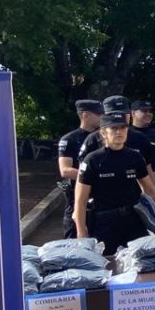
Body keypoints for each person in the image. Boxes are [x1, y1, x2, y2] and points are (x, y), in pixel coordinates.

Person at [73, 111, 155, 310]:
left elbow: (149, 189)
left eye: (122, 128)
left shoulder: (134, 156)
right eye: (113, 129)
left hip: (131, 222)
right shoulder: (92, 160)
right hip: (102, 223)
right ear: (103, 133)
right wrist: (83, 234)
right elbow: (80, 203)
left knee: (131, 275)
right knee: (101, 279)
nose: (119, 132)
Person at [57, 100, 103, 239]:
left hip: (101, 199)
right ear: (85, 115)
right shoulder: (70, 139)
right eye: (99, 114)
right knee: (74, 242)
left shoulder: (103, 137)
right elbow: (65, 170)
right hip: (77, 197)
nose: (102, 117)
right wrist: (93, 177)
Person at [130, 100, 155, 186]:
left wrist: (151, 179)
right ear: (133, 113)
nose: (148, 114)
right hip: (131, 185)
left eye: (150, 111)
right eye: (144, 111)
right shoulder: (126, 134)